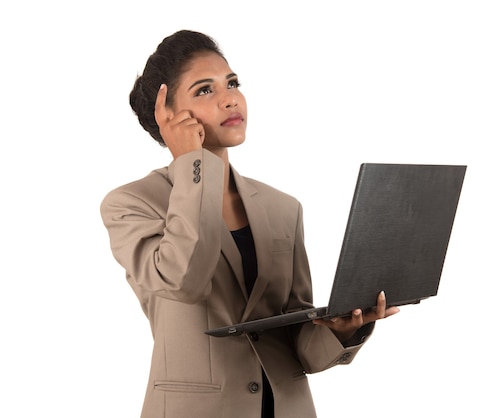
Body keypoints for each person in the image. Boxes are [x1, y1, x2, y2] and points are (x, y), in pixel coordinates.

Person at [100, 29, 399, 418]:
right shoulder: (132, 203)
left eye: (232, 83)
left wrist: (339, 330)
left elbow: (298, 344)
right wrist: (191, 162)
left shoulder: (282, 207)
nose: (230, 98)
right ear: (168, 115)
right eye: (204, 90)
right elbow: (183, 281)